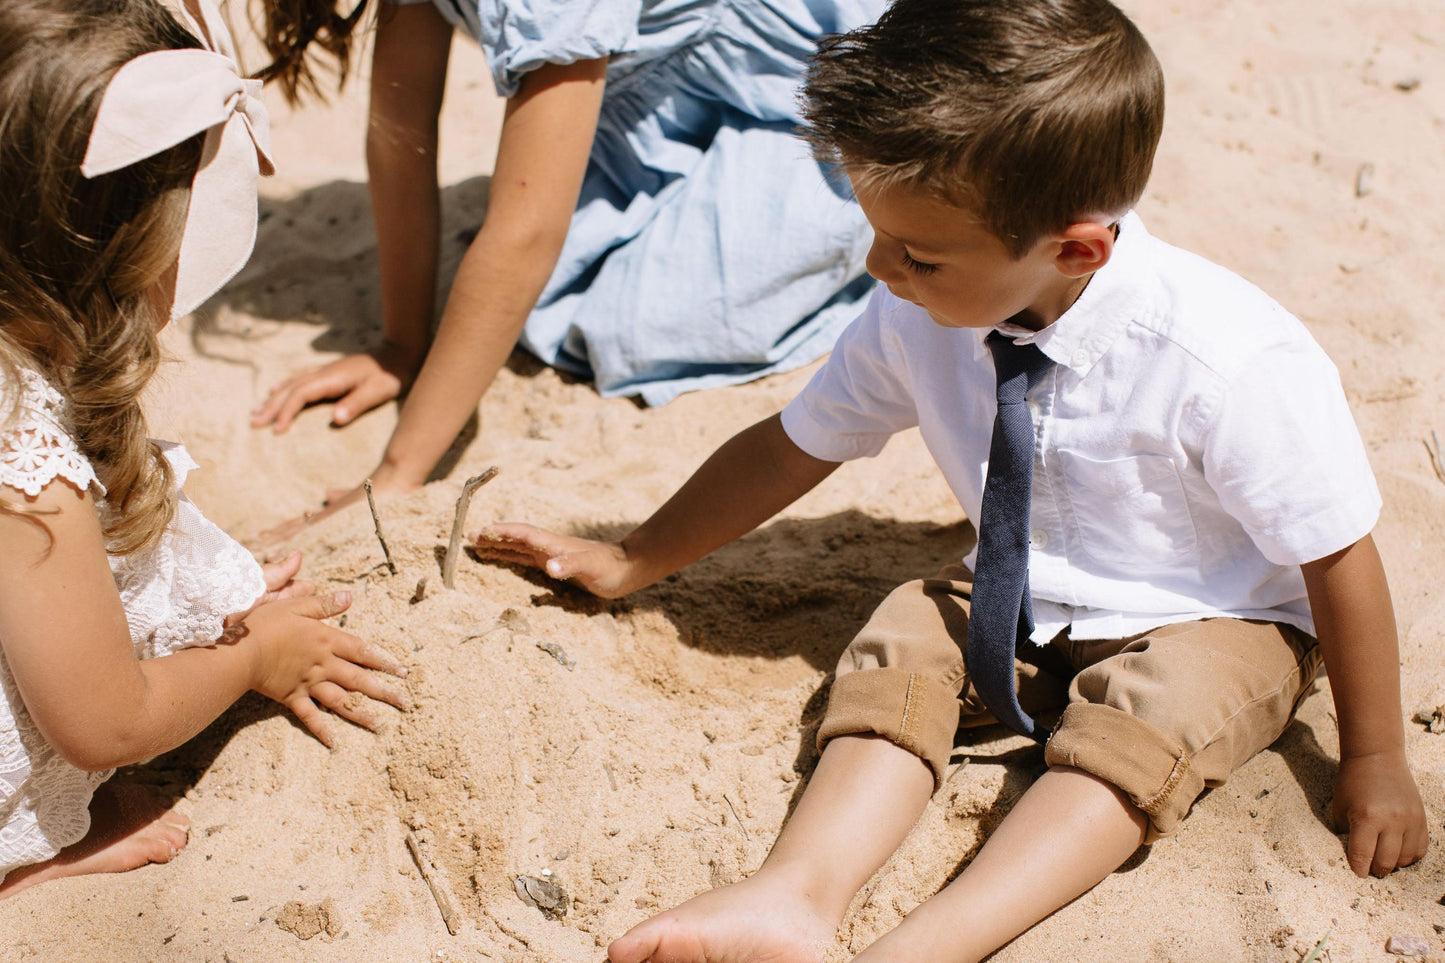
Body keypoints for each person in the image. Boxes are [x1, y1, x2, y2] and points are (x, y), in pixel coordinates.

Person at [471, 0, 1430, 959]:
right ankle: (794, 894)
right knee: (904, 641)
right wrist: (632, 555)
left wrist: (1376, 757)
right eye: (876, 232)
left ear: (1075, 247)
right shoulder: (918, 310)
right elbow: (793, 444)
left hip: (1214, 612)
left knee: (1146, 726)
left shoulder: (1222, 357)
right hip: (1021, 583)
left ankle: (932, 943)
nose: (878, 267)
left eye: (917, 253)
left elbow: (1337, 552)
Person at [0, 0, 409, 900]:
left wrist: (191, 575)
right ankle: (19, 854)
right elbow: (105, 722)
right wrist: (253, 655)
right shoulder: (15, 441)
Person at [247, 0, 883, 534]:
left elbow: (525, 237)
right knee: (524, 285)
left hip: (808, 98)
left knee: (624, 328)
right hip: (667, 83)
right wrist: (400, 345)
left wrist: (395, 477)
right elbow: (400, 129)